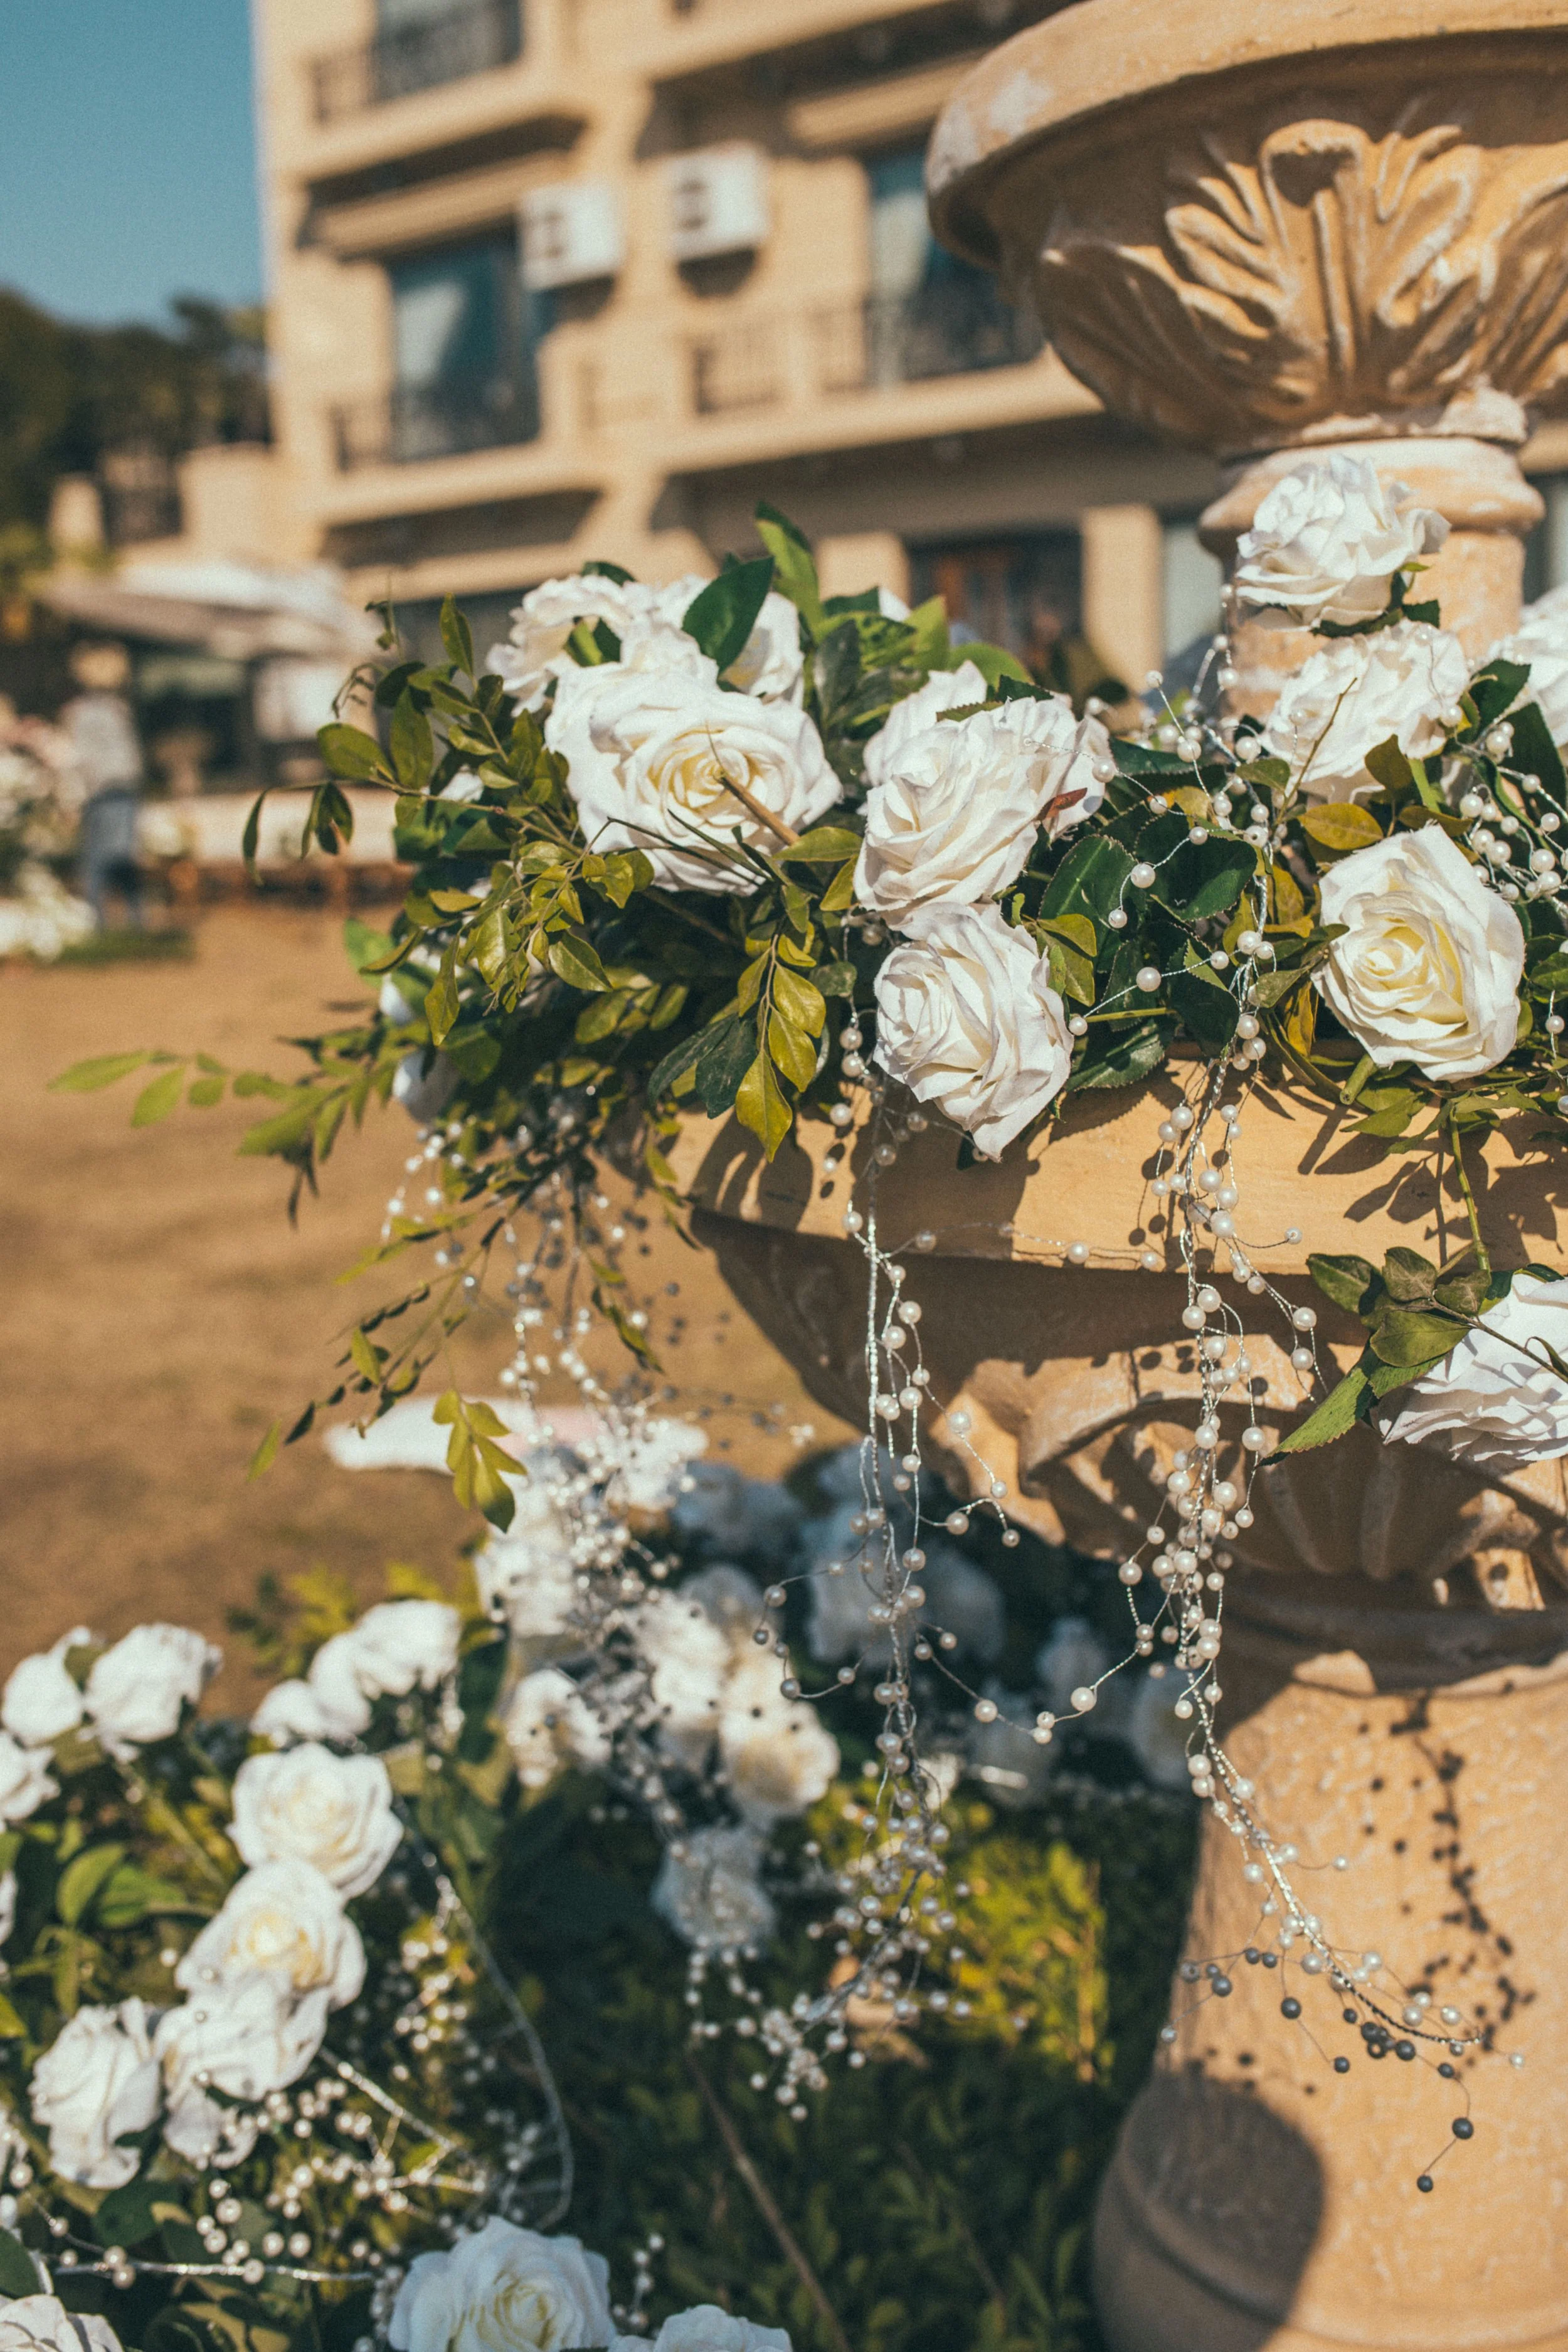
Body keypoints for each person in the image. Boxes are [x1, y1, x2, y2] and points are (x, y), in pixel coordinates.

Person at [63, 641, 144, 928]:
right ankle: (99, 920)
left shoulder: (112, 709)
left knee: (116, 857)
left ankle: (128, 919)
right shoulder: (85, 712)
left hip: (116, 792)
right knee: (105, 859)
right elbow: (77, 759)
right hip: (102, 793)